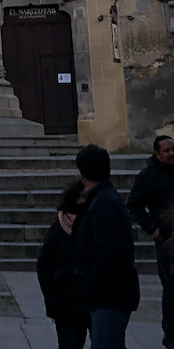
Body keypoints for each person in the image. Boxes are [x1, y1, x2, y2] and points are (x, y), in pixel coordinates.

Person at [72, 143, 139, 349]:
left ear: (82, 173)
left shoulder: (103, 203)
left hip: (108, 296)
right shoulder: (103, 198)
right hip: (109, 294)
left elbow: (110, 253)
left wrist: (88, 285)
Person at [126, 133, 174, 349]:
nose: (172, 154)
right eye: (167, 151)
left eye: (173, 150)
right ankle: (171, 333)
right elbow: (134, 204)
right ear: (157, 154)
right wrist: (152, 229)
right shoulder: (148, 176)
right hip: (166, 240)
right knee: (171, 288)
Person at [37, 178, 90, 349]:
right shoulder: (58, 229)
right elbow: (44, 263)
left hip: (88, 299)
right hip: (64, 302)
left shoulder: (91, 228)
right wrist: (51, 292)